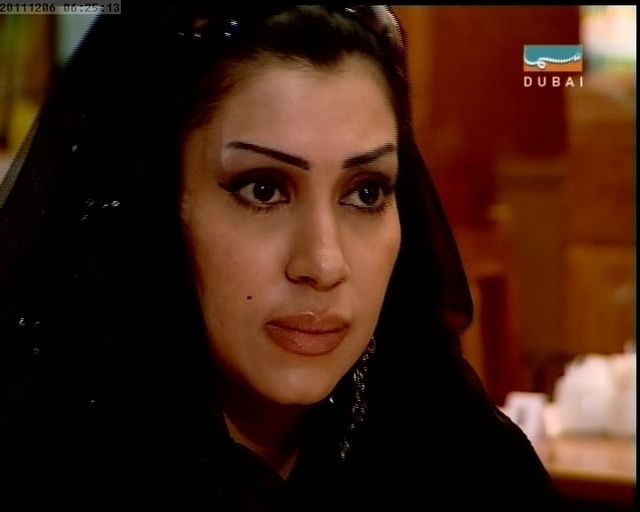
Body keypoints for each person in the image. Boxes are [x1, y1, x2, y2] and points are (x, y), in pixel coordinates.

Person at [0, 4, 561, 510]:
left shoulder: (472, 473)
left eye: (366, 192)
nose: (324, 263)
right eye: (263, 190)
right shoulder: (39, 466)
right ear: (153, 203)